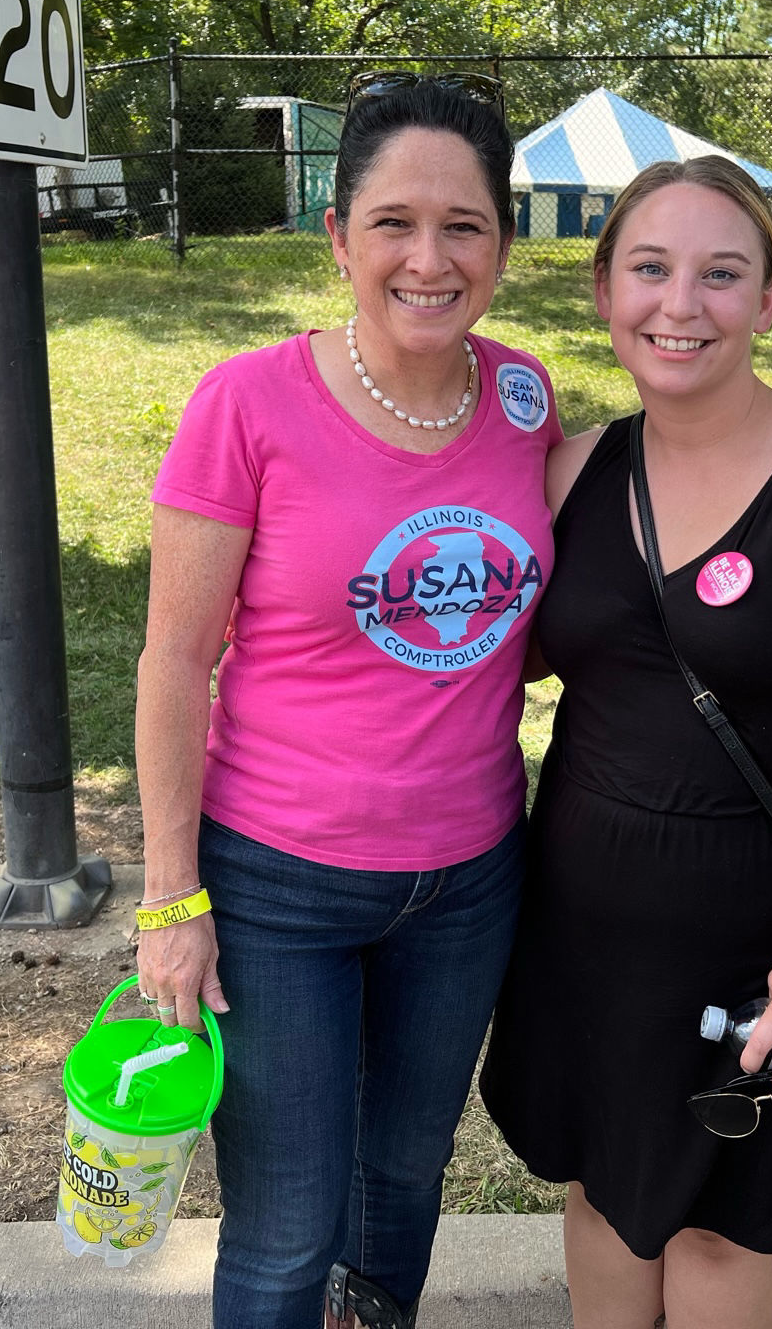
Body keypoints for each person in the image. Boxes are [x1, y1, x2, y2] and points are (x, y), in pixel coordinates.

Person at [480, 157, 772, 1329]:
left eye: (721, 274)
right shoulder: (575, 471)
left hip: (758, 943)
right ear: (604, 291)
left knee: (722, 1224)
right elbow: (493, 648)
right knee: (602, 1189)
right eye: (650, 269)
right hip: (581, 928)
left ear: (768, 300)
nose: (680, 304)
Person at [133, 75, 562, 1329]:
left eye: (464, 226)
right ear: (337, 237)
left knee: (402, 1187)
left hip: (470, 879)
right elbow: (174, 661)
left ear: (502, 244)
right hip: (280, 886)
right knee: (285, 1228)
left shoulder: (525, 398)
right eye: (393, 224)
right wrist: (172, 897)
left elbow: (522, 621)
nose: (430, 259)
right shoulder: (247, 403)